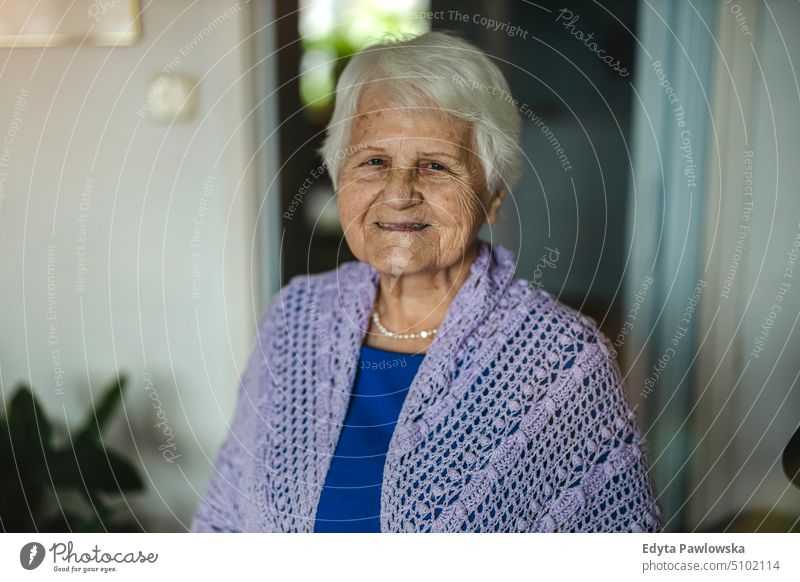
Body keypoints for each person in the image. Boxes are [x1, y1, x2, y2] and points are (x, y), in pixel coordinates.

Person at [191, 31, 662, 533]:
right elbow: (223, 524)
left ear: (493, 195)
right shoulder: (294, 318)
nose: (398, 193)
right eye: (373, 162)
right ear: (338, 175)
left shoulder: (562, 359)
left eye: (435, 166)